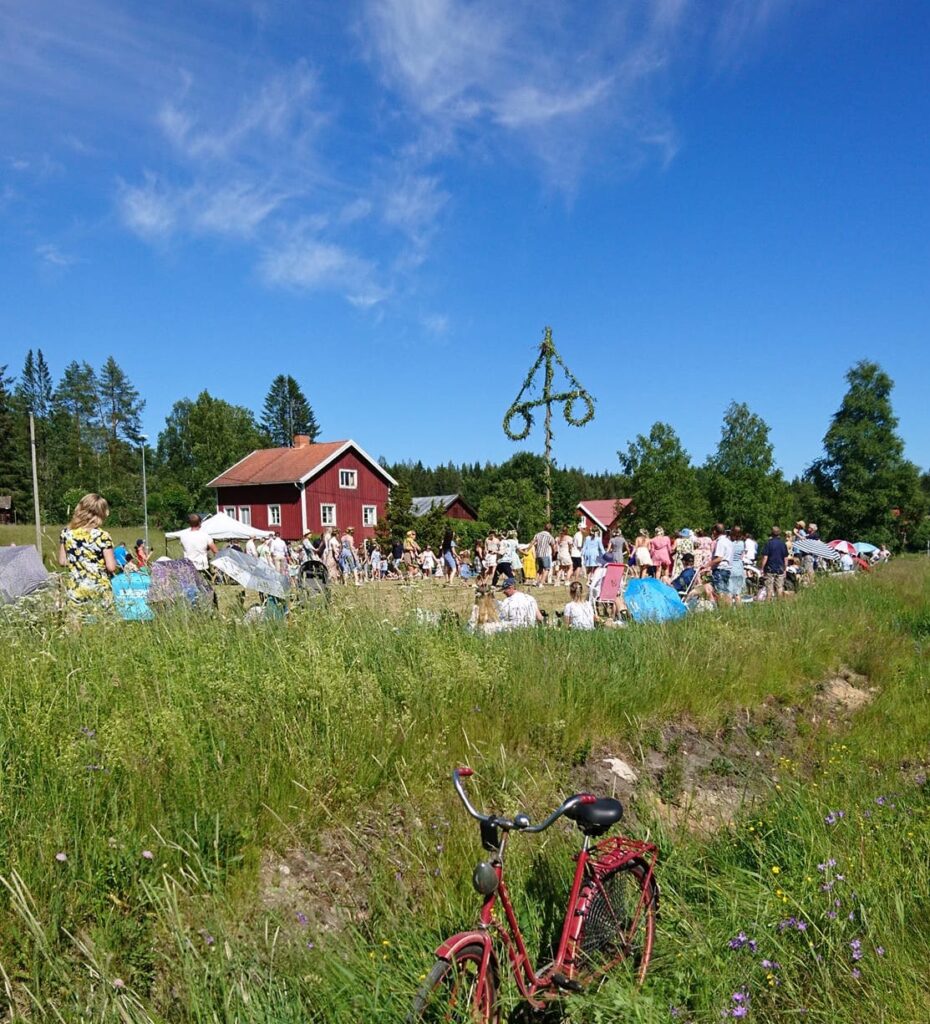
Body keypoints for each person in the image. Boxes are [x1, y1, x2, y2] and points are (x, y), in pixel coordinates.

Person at [58, 493, 118, 610]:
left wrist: (79, 562)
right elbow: (111, 567)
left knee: (77, 622)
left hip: (76, 586)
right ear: (102, 513)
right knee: (103, 624)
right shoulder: (103, 536)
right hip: (99, 586)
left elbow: (62, 561)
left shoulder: (66, 533)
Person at [759, 525, 789, 600]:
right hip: (780, 568)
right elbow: (785, 558)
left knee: (769, 588)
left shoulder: (768, 543)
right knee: (779, 587)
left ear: (771, 533)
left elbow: (765, 557)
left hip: (770, 568)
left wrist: (762, 568)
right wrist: (785, 569)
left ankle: (768, 604)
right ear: (779, 534)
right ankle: (780, 604)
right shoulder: (783, 544)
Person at [709, 523, 733, 606]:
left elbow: (719, 558)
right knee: (726, 590)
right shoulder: (728, 541)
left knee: (720, 591)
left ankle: (723, 608)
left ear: (715, 531)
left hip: (720, 569)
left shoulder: (720, 542)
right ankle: (729, 608)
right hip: (727, 568)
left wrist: (707, 565)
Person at [728, 526, 746, 600]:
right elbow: (741, 556)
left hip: (731, 567)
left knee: (729, 592)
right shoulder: (742, 543)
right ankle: (740, 610)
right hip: (739, 567)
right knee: (737, 594)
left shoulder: (730, 543)